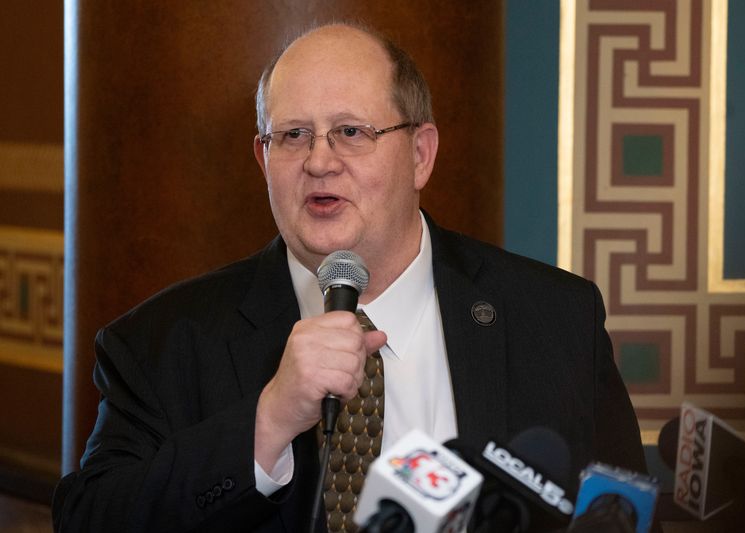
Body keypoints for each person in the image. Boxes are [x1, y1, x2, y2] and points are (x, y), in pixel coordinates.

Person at [53, 22, 646, 532]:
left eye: (351, 131)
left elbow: (624, 515)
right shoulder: (160, 343)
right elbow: (89, 519)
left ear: (420, 155)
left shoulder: (556, 319)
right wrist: (269, 421)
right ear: (264, 160)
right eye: (292, 135)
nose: (318, 161)